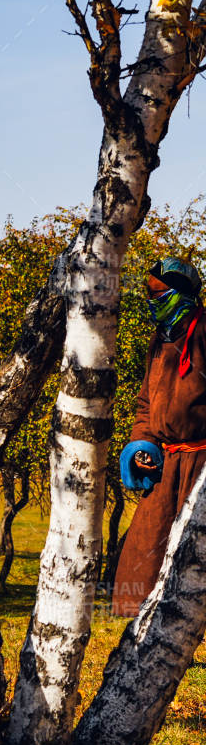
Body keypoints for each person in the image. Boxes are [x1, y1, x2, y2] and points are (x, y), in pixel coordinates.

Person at [116, 256, 206, 616]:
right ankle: (149, 629)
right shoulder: (160, 340)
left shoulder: (203, 331)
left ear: (179, 294)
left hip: (202, 464)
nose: (151, 300)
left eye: (158, 292)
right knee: (147, 547)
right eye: (148, 292)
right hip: (167, 463)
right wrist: (142, 444)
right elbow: (145, 404)